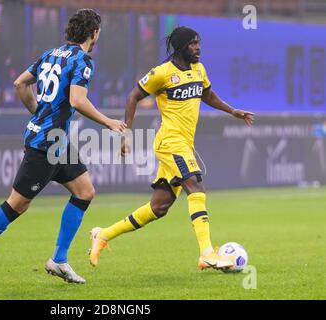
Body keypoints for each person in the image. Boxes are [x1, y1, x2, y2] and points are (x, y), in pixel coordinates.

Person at [0, 9, 127, 286]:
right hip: (45, 143)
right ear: (93, 33)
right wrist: (108, 122)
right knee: (17, 206)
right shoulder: (83, 60)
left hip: (55, 140)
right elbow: (78, 101)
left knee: (85, 191)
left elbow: (20, 83)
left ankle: (59, 259)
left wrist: (37, 113)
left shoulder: (50, 55)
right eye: (98, 32)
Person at [89, 26, 254, 270]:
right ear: (180, 47)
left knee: (159, 207)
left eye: (199, 43)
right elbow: (133, 96)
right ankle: (207, 252)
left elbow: (207, 95)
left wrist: (232, 111)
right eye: (193, 44)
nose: (198, 48)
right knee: (196, 186)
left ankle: (102, 234)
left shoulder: (199, 70)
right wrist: (127, 133)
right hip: (170, 141)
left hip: (184, 143)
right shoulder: (162, 73)